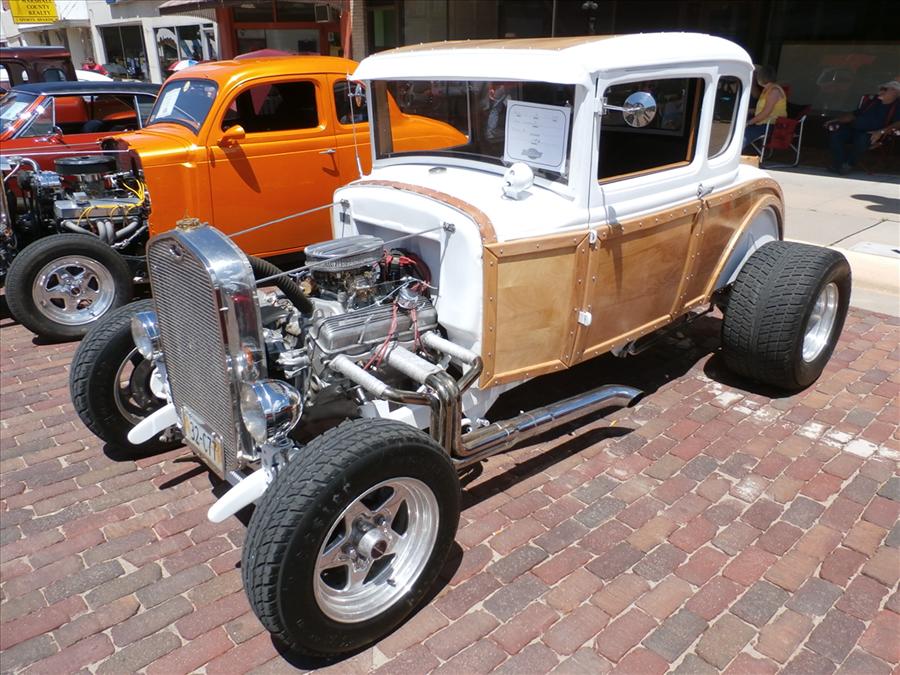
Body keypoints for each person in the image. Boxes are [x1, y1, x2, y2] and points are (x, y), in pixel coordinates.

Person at [825, 80, 900, 174]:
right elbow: (855, 114)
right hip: (854, 129)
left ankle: (848, 164)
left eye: (884, 89)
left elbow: (898, 123)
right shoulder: (873, 101)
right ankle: (839, 164)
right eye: (880, 88)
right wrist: (837, 120)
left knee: (862, 140)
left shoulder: (897, 105)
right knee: (836, 135)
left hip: (873, 134)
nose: (880, 91)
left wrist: (881, 132)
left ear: (894, 92)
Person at [742, 65, 786, 149]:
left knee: (744, 134)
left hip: (772, 125)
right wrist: (751, 110)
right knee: (740, 129)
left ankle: (733, 154)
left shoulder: (774, 91)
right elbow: (765, 109)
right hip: (763, 123)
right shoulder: (767, 89)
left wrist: (749, 122)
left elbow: (766, 112)